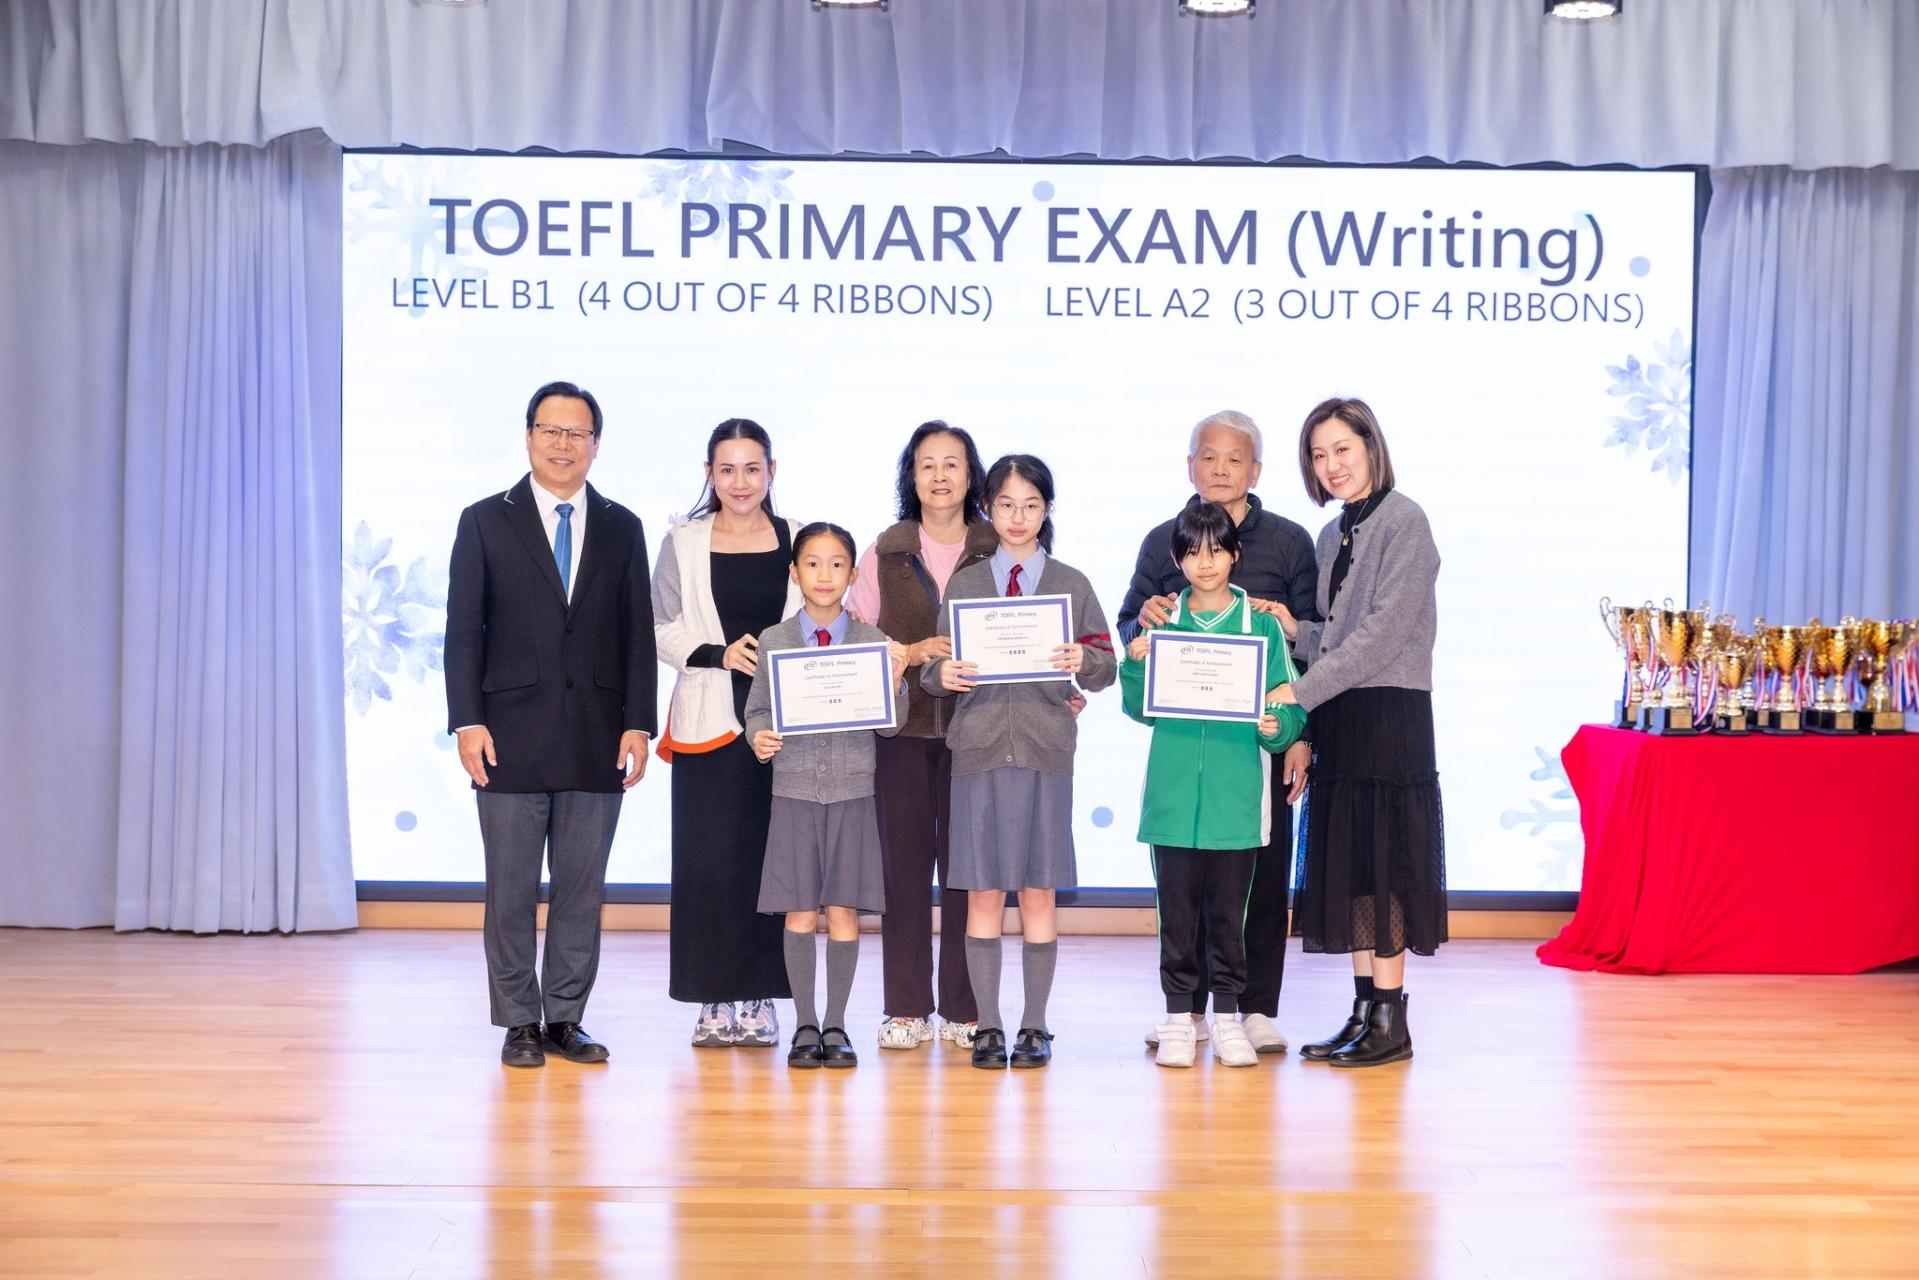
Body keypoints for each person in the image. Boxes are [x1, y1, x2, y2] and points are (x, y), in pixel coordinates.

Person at [445, 380, 657, 1069]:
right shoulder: (484, 520)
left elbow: (636, 632)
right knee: (509, 889)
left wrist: (638, 722)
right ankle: (518, 1021)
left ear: (596, 444)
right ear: (529, 436)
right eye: (550, 430)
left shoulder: (623, 526)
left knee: (580, 889)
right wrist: (467, 720)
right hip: (507, 735)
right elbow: (463, 631)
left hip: (598, 734)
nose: (563, 444)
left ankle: (565, 1017)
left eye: (577, 433)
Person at [1117, 409, 1319, 1055]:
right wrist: (1139, 637)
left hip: (1251, 756)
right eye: (1209, 456)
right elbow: (1131, 627)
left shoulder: (1289, 541)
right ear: (1190, 466)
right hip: (1181, 763)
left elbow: (1310, 648)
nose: (1221, 469)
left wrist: (1296, 733)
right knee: (1183, 897)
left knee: (1256, 883)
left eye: (1235, 458)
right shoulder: (1161, 539)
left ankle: (1251, 1009)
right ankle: (1188, 1014)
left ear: (1255, 470)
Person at [1267, 397, 1445, 1069]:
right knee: (1358, 872)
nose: (1331, 465)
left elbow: (1381, 636)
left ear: (1371, 446)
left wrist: (1297, 691)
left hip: (1389, 714)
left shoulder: (1405, 521)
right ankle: (1366, 1010)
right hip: (1343, 713)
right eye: (1318, 455)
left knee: (1387, 867)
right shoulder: (1331, 533)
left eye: (1342, 448)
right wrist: (1294, 629)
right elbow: (1336, 636)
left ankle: (1391, 1022)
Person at [922, 455, 1116, 1071]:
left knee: (1037, 893)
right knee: (983, 893)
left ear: (1047, 510)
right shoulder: (966, 584)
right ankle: (989, 1025)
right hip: (978, 754)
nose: (1017, 517)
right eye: (1005, 505)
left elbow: (1107, 667)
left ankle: (1035, 1025)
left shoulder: (1071, 583)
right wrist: (943, 674)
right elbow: (932, 668)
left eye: (1031, 505)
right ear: (988, 508)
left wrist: (1083, 661)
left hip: (1044, 754)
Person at [845, 421, 997, 1051]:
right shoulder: (885, 551)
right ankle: (906, 1007)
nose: (939, 475)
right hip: (901, 734)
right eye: (926, 463)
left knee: (967, 872)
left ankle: (963, 1008)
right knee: (902, 873)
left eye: (952, 463)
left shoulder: (997, 546)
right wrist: (908, 652)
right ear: (911, 475)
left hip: (978, 734)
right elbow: (852, 634)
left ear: (971, 475)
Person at [651, 420, 803, 1049]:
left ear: (772, 471)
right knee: (707, 862)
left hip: (784, 729)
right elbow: (659, 626)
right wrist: (717, 653)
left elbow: (824, 616)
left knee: (771, 862)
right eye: (727, 469)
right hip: (709, 724)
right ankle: (712, 997)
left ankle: (760, 996)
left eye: (752, 468)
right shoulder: (682, 542)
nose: (741, 482)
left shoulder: (798, 539)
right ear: (709, 475)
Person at [745, 523, 910, 1069]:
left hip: (852, 792)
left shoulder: (872, 642)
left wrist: (897, 681)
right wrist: (759, 736)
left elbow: (891, 725)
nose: (824, 574)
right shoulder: (774, 640)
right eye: (812, 563)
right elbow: (757, 710)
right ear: (794, 573)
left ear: (854, 574)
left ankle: (835, 1024)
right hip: (793, 791)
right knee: (798, 912)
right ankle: (804, 1024)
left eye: (837, 564)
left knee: (843, 912)